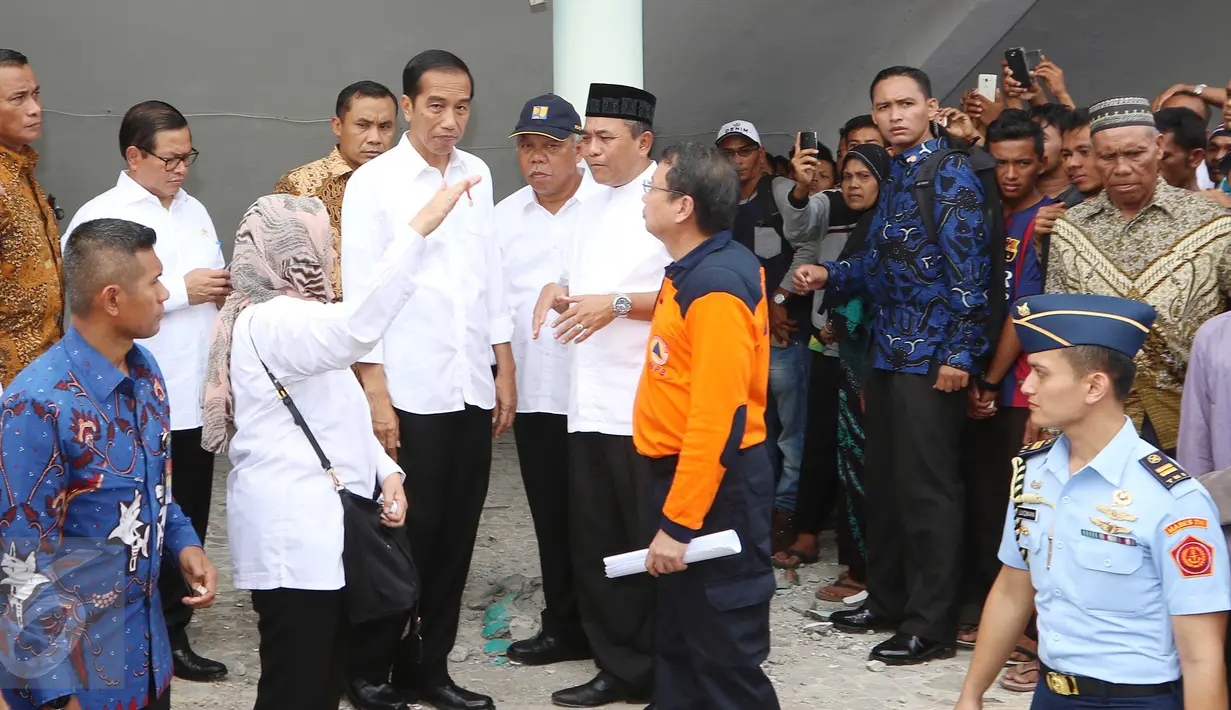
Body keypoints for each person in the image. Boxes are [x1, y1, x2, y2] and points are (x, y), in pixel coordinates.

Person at [203, 187, 471, 710]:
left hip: (320, 532)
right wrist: (416, 231)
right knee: (296, 687)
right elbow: (358, 328)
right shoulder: (276, 320)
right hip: (293, 536)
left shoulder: (298, 317)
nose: (325, 255)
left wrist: (387, 471)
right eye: (320, 244)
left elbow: (339, 412)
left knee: (321, 681)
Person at [794, 66, 993, 664]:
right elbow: (878, 265)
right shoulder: (897, 175)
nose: (894, 115)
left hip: (931, 361)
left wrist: (960, 355)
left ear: (931, 108)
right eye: (884, 107)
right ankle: (887, 598)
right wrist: (830, 273)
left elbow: (972, 276)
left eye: (906, 104)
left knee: (929, 492)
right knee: (883, 485)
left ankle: (929, 625)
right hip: (886, 351)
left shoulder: (950, 173)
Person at [953, 293, 1231, 710]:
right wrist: (971, 695)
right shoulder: (1035, 473)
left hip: (1136, 702)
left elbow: (1202, 656)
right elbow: (1013, 588)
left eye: (1041, 373)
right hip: (1050, 696)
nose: (1026, 385)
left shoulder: (1173, 500)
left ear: (1095, 385)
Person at [341, 49, 512, 710]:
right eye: (435, 106)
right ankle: (369, 672)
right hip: (407, 390)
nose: (449, 120)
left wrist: (504, 367)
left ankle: (427, 668)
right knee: (398, 535)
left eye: (461, 106)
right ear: (407, 106)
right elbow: (361, 296)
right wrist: (376, 394)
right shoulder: (375, 184)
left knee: (455, 536)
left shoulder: (478, 173)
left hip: (467, 381)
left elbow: (489, 277)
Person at [0, 218, 219, 710]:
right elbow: (16, 561)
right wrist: (56, 694)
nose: (165, 294)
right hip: (76, 674)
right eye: (154, 281)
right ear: (113, 299)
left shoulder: (146, 373)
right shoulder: (38, 404)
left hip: (145, 658)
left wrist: (183, 541)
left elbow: (154, 483)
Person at [63, 100, 229, 682]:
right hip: (131, 395)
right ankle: (123, 631)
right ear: (134, 156)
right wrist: (181, 290)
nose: (182, 168)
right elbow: (91, 303)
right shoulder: (100, 217)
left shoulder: (196, 210)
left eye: (189, 156)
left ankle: (175, 632)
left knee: (188, 516)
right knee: (130, 516)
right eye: (170, 158)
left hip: (192, 391)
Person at [530, 82, 669, 708]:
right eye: (586, 136)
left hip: (643, 403)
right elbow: (576, 275)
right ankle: (616, 665)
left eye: (603, 138)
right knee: (598, 541)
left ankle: (664, 662)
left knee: (650, 542)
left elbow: (687, 296)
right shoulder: (587, 203)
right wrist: (554, 289)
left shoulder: (668, 201)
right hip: (585, 401)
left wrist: (612, 305)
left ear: (644, 142)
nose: (589, 150)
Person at [634, 141, 778, 710]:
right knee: (680, 638)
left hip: (715, 491)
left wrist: (679, 523)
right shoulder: (694, 269)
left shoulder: (716, 285)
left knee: (723, 654)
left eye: (654, 187)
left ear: (683, 206)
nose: (644, 197)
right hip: (680, 479)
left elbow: (719, 419)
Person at [1046, 97, 1231, 456]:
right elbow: (1059, 333)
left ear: (1159, 147)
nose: (1122, 168)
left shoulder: (1213, 223)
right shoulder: (1071, 229)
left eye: (1134, 154)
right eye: (1108, 157)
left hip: (1193, 417)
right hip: (1097, 417)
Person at [497, 93, 597, 667]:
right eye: (528, 147)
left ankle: (613, 627)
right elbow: (493, 310)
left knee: (602, 517)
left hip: (598, 397)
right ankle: (563, 624)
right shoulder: (503, 218)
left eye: (551, 147)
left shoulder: (609, 209)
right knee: (552, 518)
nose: (537, 159)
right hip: (537, 396)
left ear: (579, 149)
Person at [957, 110, 1054, 679]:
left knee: (1026, 513)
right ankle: (999, 618)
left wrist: (992, 382)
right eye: (1003, 163)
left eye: (1024, 162)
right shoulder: (989, 211)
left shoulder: (1049, 217)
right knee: (989, 503)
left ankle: (1031, 634)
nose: (1012, 173)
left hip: (1023, 387)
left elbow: (1027, 311)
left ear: (1043, 161)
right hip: (978, 377)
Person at [791, 143, 892, 603]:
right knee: (851, 461)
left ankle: (867, 572)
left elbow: (874, 290)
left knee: (868, 466)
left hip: (876, 366)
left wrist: (839, 312)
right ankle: (861, 566)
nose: (853, 184)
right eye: (847, 176)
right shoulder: (871, 223)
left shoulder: (887, 226)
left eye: (864, 177)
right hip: (854, 362)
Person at [714, 119, 811, 555]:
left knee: (791, 431)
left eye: (744, 151)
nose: (737, 161)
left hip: (782, 335)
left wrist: (779, 298)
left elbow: (808, 246)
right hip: (735, 334)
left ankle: (786, 513)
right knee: (748, 427)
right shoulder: (715, 201)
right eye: (728, 153)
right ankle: (752, 511)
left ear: (759, 154)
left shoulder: (781, 194)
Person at [274, 80, 398, 297]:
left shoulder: (409, 185)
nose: (375, 138)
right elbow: (278, 271)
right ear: (337, 126)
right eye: (362, 125)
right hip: (322, 322)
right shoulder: (298, 187)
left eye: (385, 127)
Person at [0, 48, 61, 389]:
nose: (35, 108)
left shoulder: (22, 173)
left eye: (35, 93)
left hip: (41, 376)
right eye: (18, 98)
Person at [1155, 107, 1209, 192]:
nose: (1152, 165)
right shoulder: (1132, 203)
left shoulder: (1214, 204)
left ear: (1195, 157)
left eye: (1163, 157)